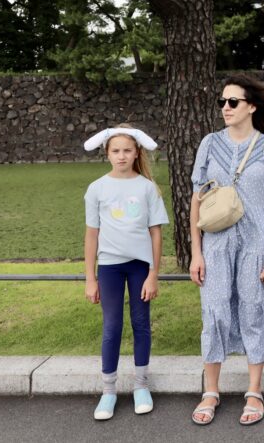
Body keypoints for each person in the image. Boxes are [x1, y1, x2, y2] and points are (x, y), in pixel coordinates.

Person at [189, 74, 264, 426]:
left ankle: (254, 390)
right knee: (214, 311)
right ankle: (211, 390)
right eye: (222, 102)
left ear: (251, 106)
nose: (225, 108)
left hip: (256, 244)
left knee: (253, 310)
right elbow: (197, 200)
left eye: (233, 102)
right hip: (216, 245)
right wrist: (196, 251)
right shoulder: (208, 144)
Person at [82, 125, 169, 421]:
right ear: (107, 154)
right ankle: (108, 391)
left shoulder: (146, 188)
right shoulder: (96, 189)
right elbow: (91, 235)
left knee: (141, 322)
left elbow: (156, 233)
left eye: (127, 151)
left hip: (139, 266)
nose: (121, 156)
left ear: (136, 153)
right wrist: (91, 278)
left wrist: (153, 273)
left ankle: (141, 386)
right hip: (109, 267)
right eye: (116, 151)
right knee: (112, 326)